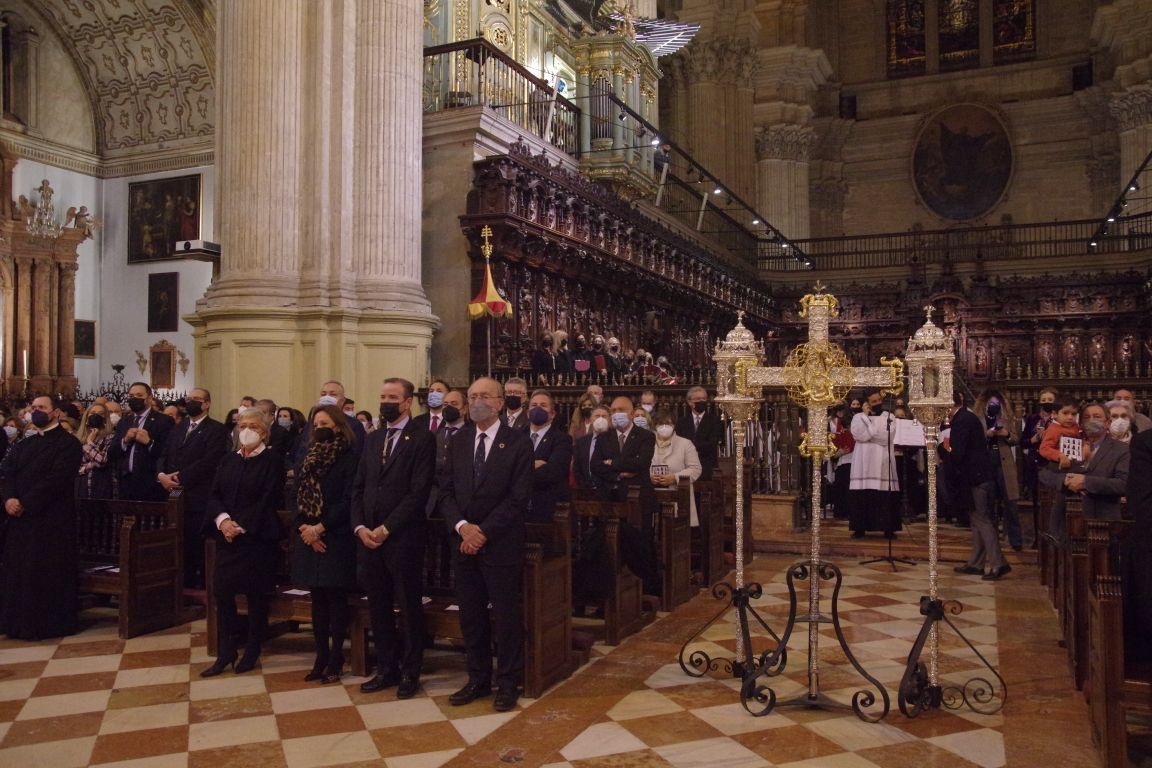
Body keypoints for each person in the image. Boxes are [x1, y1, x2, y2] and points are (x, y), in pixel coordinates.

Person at [437, 377, 533, 712]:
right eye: (472, 396)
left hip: (500, 543)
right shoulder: (458, 439)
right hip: (463, 544)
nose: (477, 401)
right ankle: (477, 678)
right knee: (472, 616)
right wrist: (463, 528)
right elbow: (445, 491)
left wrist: (483, 532)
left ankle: (508, 682)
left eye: (484, 396)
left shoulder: (518, 442)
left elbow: (518, 498)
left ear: (499, 402)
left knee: (505, 617)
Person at [352, 378, 436, 698]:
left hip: (402, 537)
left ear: (407, 402)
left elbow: (418, 493)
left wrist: (387, 528)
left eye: (392, 397)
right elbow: (359, 487)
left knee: (408, 606)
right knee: (379, 605)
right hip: (369, 538)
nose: (385, 401)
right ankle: (385, 667)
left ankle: (409, 671)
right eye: (382, 396)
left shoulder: (422, 438)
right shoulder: (373, 439)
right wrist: (360, 527)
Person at [201, 408, 284, 676]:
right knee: (223, 593)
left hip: (256, 538)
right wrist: (223, 521)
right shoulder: (229, 460)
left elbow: (268, 497)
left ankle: (252, 650)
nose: (246, 430)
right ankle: (226, 651)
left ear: (263, 432)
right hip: (228, 538)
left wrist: (241, 526)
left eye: (253, 426)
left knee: (255, 596)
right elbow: (214, 494)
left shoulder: (272, 460)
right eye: (242, 424)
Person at [0, 396, 84, 639]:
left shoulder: (68, 444)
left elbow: (56, 480)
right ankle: (15, 622)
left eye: (42, 408)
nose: (36, 411)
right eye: (34, 408)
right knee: (18, 572)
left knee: (44, 572)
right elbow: (7, 473)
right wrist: (9, 499)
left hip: (50, 520)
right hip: (19, 519)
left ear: (55, 413)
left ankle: (47, 624)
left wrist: (26, 502)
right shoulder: (24, 445)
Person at [292, 405, 359, 684]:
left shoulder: (349, 457)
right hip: (309, 537)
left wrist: (322, 528)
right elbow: (297, 495)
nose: (319, 426)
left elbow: (349, 499)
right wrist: (306, 530)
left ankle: (335, 657)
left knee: (335, 599)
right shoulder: (308, 457)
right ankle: (320, 656)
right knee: (317, 600)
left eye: (325, 422)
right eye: (316, 422)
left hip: (336, 537)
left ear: (337, 425)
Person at [157, 388, 229, 589]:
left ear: (206, 404)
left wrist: (180, 477)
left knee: (196, 546)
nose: (190, 402)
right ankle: (181, 588)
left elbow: (209, 461)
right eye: (189, 399)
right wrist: (162, 475)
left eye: (196, 399)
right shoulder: (178, 428)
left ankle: (200, 589)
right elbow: (164, 454)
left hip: (198, 497)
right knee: (179, 547)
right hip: (173, 496)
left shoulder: (216, 429)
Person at [948, 393, 1010, 580]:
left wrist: (944, 454)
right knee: (977, 520)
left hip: (976, 477)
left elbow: (958, 451)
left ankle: (999, 563)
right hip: (980, 475)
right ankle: (976, 563)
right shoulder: (967, 417)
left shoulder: (962, 420)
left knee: (982, 520)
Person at [108, 382, 175, 501]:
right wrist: (125, 440)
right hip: (126, 482)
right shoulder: (124, 421)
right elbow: (112, 452)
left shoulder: (164, 421)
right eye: (131, 396)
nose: (134, 399)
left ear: (149, 398)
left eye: (139, 395)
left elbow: (168, 453)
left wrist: (149, 442)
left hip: (150, 483)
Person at [974, 390, 1024, 551]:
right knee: (988, 502)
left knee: (1010, 503)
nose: (994, 406)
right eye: (991, 404)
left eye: (997, 404)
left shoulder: (1007, 419)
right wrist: (987, 434)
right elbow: (973, 439)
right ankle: (991, 541)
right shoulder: (978, 419)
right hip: (986, 460)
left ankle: (1015, 540)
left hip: (1004, 462)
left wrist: (1007, 433)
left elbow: (1016, 439)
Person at [1063, 402, 1130, 520]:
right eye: (1087, 417)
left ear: (1108, 423)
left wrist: (1086, 482)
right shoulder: (1069, 444)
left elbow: (1123, 485)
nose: (1091, 420)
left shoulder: (1121, 449)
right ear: (1081, 424)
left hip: (1104, 519)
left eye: (1097, 417)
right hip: (1070, 517)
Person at [848, 391, 901, 539]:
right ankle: (860, 528)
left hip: (882, 462)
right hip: (863, 464)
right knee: (862, 496)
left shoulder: (889, 417)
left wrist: (869, 434)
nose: (877, 403)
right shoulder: (858, 417)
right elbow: (858, 436)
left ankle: (888, 529)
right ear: (867, 403)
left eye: (878, 400)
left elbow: (886, 437)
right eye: (873, 401)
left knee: (884, 495)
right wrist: (868, 422)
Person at [526, 389, 572, 523]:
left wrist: (520, 470)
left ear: (552, 414)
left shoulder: (562, 439)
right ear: (528, 413)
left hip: (548, 506)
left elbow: (553, 472)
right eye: (534, 405)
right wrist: (533, 465)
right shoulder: (517, 436)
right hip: (519, 507)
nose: (538, 408)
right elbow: (505, 468)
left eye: (543, 405)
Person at [649, 410, 702, 524]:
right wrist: (650, 476)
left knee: (675, 529)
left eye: (668, 424)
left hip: (677, 492)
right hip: (652, 491)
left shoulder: (685, 444)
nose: (664, 427)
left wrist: (674, 477)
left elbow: (695, 468)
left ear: (674, 425)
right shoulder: (648, 442)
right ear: (655, 426)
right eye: (660, 424)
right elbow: (640, 466)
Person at [676, 386, 722, 480]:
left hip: (707, 465)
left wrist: (691, 448)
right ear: (690, 402)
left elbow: (713, 442)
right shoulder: (682, 422)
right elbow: (678, 442)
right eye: (698, 399)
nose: (701, 401)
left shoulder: (714, 420)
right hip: (686, 465)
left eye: (703, 399)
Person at [76, 402, 116, 500]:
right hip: (80, 484)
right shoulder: (77, 438)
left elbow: (102, 461)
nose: (96, 415)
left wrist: (89, 443)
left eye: (101, 413)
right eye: (93, 412)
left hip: (101, 484)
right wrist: (93, 464)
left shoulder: (111, 437)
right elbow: (73, 466)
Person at [574, 406, 610, 492]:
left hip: (609, 491)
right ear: (590, 419)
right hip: (586, 490)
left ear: (609, 420)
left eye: (604, 416)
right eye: (597, 416)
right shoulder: (581, 442)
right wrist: (584, 486)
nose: (600, 419)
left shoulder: (615, 440)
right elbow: (577, 467)